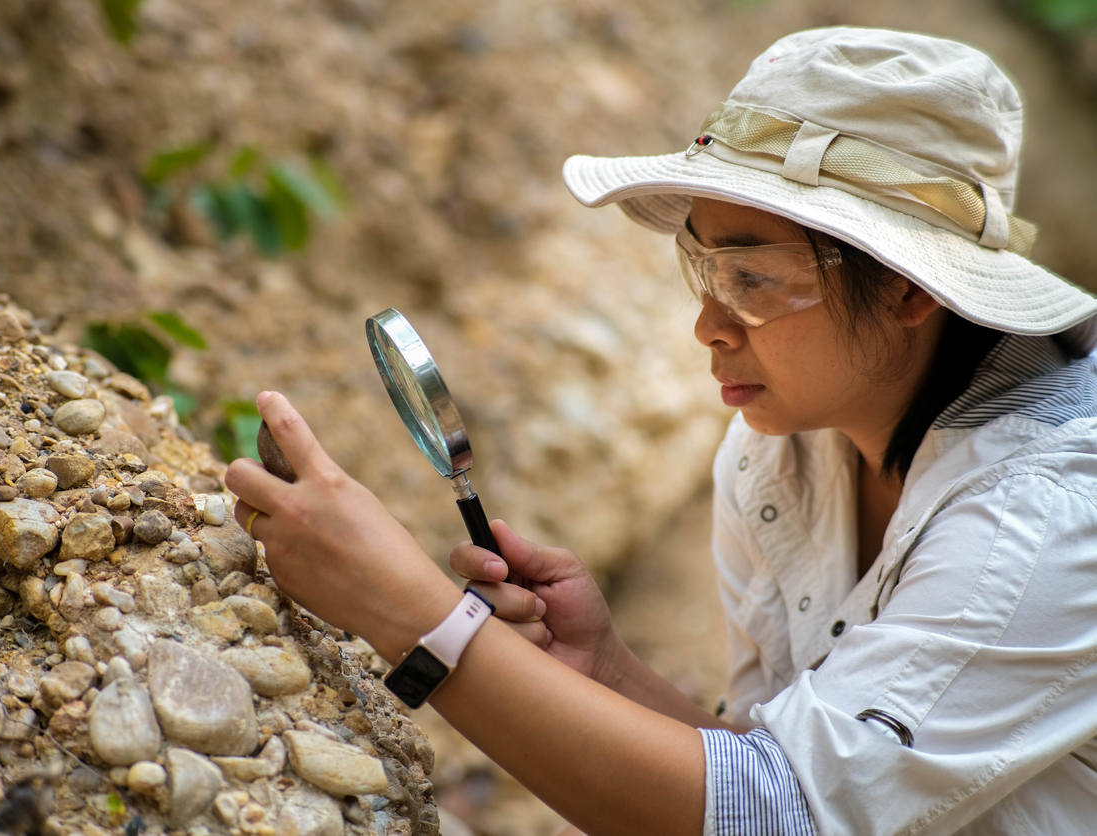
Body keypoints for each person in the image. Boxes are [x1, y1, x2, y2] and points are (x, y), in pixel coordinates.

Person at [225, 27, 1097, 835]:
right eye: (704, 268)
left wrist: (416, 617)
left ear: (912, 290)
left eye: (754, 278)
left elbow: (782, 816)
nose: (709, 326)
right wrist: (606, 671)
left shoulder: (1047, 515)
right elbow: (775, 764)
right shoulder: (778, 454)